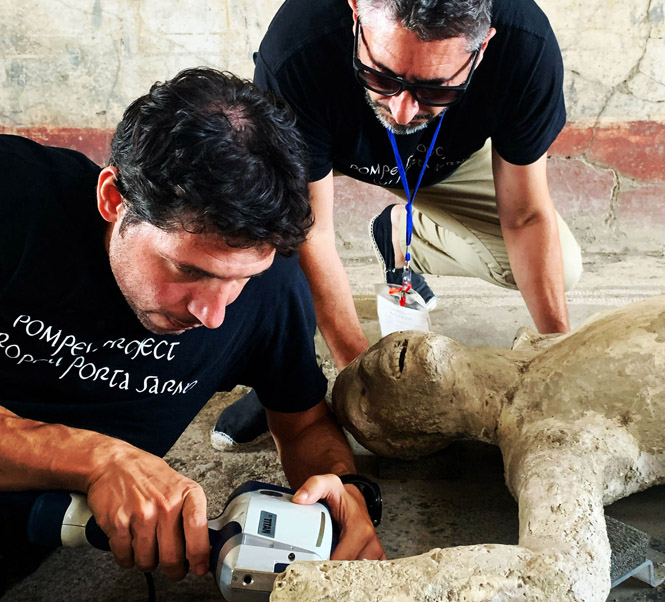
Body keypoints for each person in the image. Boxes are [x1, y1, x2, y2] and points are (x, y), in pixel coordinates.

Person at [0, 67, 383, 595]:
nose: (214, 314)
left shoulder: (272, 292)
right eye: (190, 271)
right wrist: (95, 459)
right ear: (114, 199)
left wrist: (345, 490)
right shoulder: (13, 198)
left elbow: (303, 426)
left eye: (241, 278)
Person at [212, 0, 583, 449]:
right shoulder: (298, 47)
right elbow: (312, 230)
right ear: (355, 14)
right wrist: (363, 385)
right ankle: (284, 369)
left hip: (445, 161)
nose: (403, 111)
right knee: (259, 228)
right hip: (324, 146)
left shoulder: (527, 45)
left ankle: (404, 235)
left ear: (482, 48)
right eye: (380, 76)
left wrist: (560, 361)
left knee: (562, 269)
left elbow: (524, 216)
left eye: (436, 89)